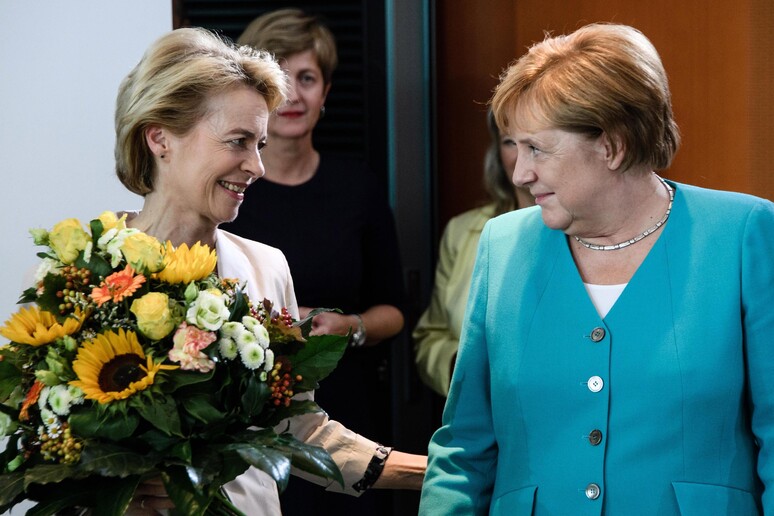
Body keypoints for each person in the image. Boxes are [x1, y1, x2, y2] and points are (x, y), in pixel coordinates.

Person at [419, 23, 773, 514]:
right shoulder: (502, 245)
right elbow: (464, 451)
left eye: (537, 148)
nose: (520, 173)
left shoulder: (745, 233)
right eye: (513, 147)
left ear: (612, 144)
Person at [107, 27, 424, 515]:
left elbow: (301, 429)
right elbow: (48, 445)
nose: (255, 166)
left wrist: (439, 474)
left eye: (259, 143)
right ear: (159, 138)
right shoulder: (86, 267)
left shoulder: (266, 267)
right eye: (238, 142)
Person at [220, 9, 406, 515]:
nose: (295, 94)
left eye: (308, 78)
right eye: (282, 78)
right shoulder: (227, 193)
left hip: (345, 404)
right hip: (251, 417)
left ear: (325, 94)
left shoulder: (358, 188)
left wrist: (352, 326)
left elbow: (396, 308)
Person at [413, 109, 534, 397]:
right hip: (477, 418)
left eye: (534, 143)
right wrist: (461, 368)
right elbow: (431, 336)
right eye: (509, 142)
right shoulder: (461, 231)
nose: (522, 157)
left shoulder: (585, 233)